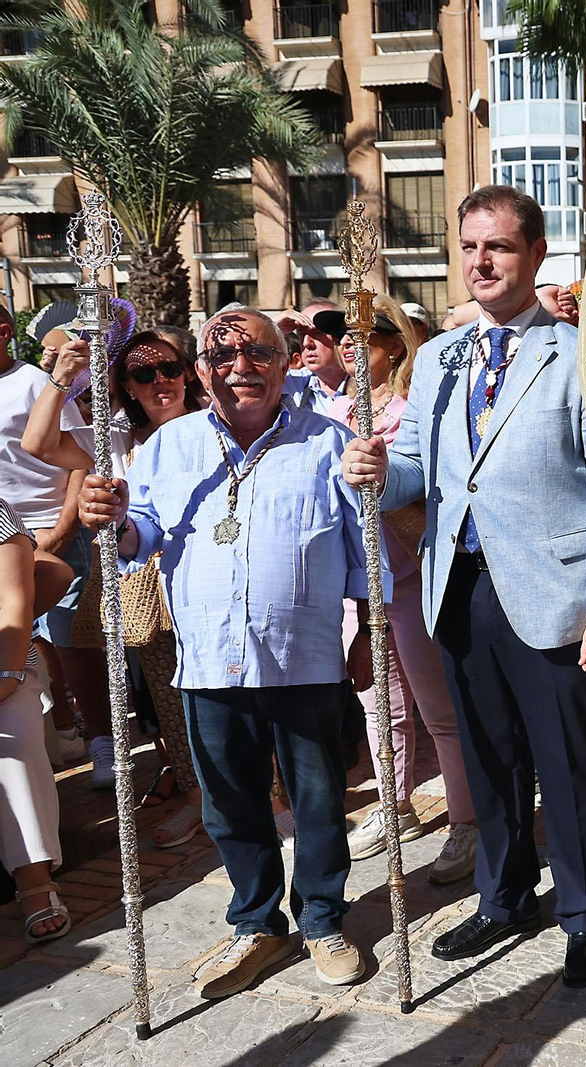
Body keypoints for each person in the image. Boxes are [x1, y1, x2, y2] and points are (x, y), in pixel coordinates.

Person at [341, 185, 586, 987]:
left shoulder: (580, 355)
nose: (481, 261)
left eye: (499, 246)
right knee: (488, 756)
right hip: (459, 587)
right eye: (470, 246)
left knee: (568, 767)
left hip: (558, 592)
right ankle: (504, 897)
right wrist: (374, 470)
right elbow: (416, 471)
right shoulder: (440, 359)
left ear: (535, 254)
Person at [78, 305, 378, 998]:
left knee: (318, 798)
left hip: (305, 659)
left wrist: (368, 630)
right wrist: (112, 519)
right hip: (211, 658)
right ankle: (257, 923)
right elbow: (141, 534)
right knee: (231, 803)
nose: (240, 368)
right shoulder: (169, 446)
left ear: (285, 362)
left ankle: (323, 919)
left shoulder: (331, 443)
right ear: (201, 371)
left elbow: (364, 548)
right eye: (222, 357)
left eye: (257, 354)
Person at [22, 330, 209, 848]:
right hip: (149, 591)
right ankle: (197, 799)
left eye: (168, 368)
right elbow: (38, 444)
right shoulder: (118, 441)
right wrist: (62, 377)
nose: (159, 381)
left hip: (216, 585)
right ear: (126, 386)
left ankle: (272, 800)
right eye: (143, 374)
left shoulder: (217, 424)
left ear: (187, 372)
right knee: (170, 702)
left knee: (241, 697)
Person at [322, 295, 479, 886]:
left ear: (393, 347)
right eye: (342, 336)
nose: (348, 345)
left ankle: (466, 821)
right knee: (377, 705)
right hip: (357, 584)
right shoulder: (331, 412)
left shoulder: (412, 412)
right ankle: (395, 807)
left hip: (409, 577)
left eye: (363, 336)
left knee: (438, 710)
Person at [0, 303, 108, 787]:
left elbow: (81, 456)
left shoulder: (35, 384)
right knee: (30, 643)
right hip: (4, 539)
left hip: (52, 529)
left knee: (73, 642)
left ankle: (104, 742)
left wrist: (63, 530)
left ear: (4, 332)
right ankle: (61, 734)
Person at [0, 496, 74, 943]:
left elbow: (14, 602)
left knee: (14, 743)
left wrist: (5, 679)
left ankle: (34, 882)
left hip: (4, 666)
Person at [278, 300, 346, 415]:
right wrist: (272, 326)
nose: (306, 343)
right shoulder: (294, 383)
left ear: (340, 335)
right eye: (301, 334)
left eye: (317, 333)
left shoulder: (368, 384)